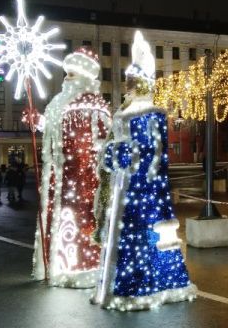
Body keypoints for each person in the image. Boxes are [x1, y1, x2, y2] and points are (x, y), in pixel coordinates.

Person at [92, 31, 196, 310]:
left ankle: (137, 289)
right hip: (127, 189)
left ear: (139, 83)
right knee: (132, 239)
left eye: (129, 81)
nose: (126, 86)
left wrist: (114, 153)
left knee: (139, 239)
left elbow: (149, 154)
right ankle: (131, 287)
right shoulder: (130, 113)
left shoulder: (148, 115)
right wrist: (111, 152)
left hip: (139, 192)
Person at [30, 48, 111, 287]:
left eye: (72, 74)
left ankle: (81, 269)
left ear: (86, 75)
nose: (67, 78)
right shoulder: (62, 102)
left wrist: (83, 170)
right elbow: (59, 132)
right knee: (61, 220)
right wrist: (39, 121)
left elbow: (93, 141)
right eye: (66, 73)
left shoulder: (91, 105)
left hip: (81, 179)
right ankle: (59, 266)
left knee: (77, 222)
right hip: (62, 178)